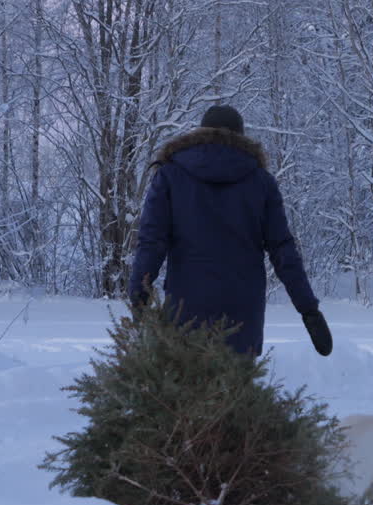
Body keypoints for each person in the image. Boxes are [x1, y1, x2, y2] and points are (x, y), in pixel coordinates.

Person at [129, 105, 332, 357]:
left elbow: (151, 242)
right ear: (241, 136)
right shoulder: (261, 182)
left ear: (200, 133)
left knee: (186, 392)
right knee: (237, 393)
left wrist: (139, 298)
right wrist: (308, 309)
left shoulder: (170, 175)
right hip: (242, 315)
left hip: (185, 310)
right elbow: (283, 250)